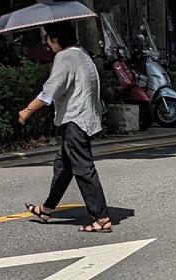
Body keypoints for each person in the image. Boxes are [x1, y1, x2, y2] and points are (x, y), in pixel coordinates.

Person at [19, 22, 111, 234]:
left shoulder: (65, 57)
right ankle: (46, 209)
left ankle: (101, 217)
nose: (48, 45)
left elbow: (50, 90)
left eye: (48, 40)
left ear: (56, 39)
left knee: (83, 168)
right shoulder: (81, 53)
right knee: (63, 167)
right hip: (83, 118)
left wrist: (28, 109)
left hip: (74, 121)